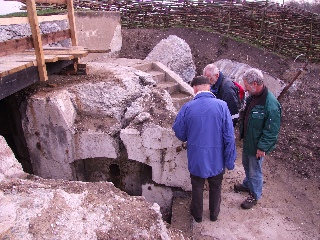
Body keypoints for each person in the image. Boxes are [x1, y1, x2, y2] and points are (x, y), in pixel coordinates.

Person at [172, 76, 237, 222]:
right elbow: (229, 136)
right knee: (216, 186)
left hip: (196, 156)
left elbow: (179, 132)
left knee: (197, 187)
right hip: (217, 157)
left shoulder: (188, 107)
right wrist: (230, 160)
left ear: (195, 89)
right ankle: (214, 214)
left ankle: (198, 215)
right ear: (209, 87)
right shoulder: (222, 106)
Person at [234, 68, 281, 209]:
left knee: (255, 170)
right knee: (247, 165)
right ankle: (247, 184)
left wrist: (263, 147)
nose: (245, 88)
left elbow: (272, 130)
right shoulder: (253, 97)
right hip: (250, 140)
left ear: (254, 83)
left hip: (257, 145)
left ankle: (255, 195)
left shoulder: (270, 104)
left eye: (246, 85)